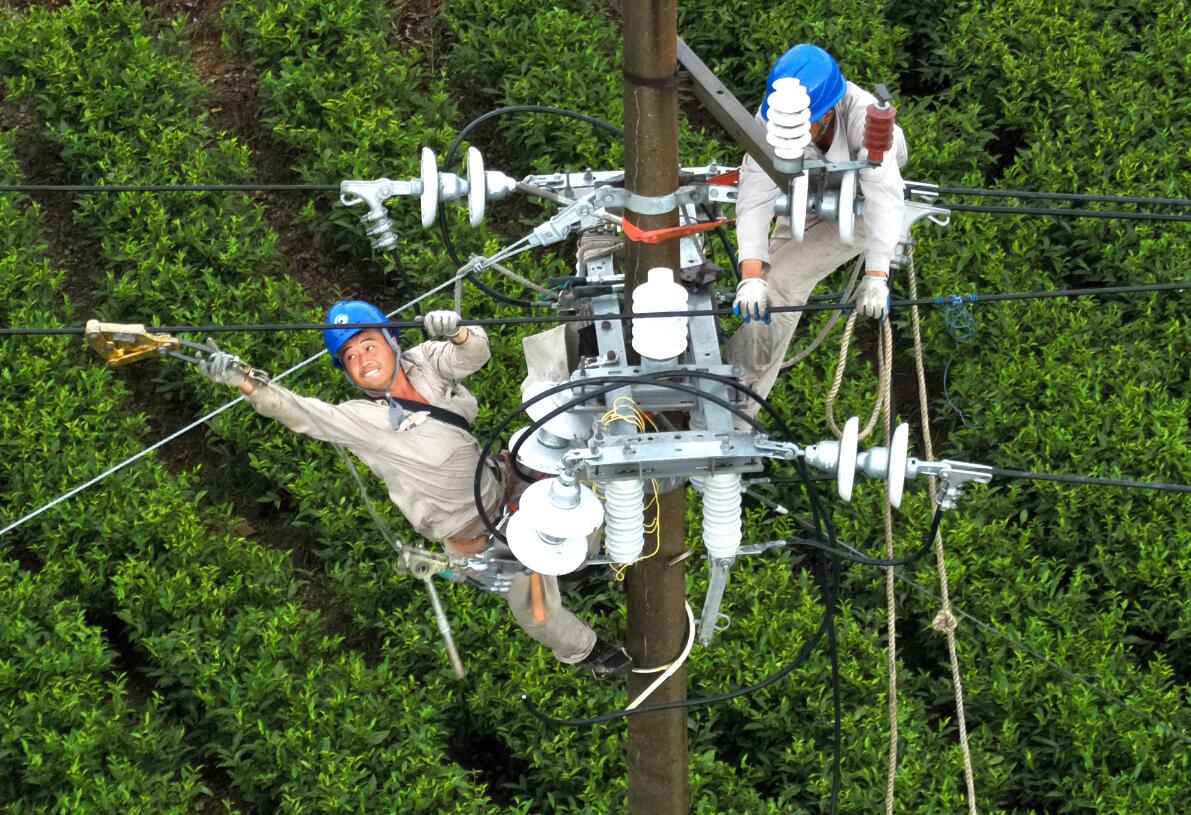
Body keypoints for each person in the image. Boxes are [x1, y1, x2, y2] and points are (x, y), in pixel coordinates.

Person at [198, 299, 631, 678]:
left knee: (573, 458)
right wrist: (245, 380)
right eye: (350, 356)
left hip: (505, 482)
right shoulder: (361, 421)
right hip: (482, 534)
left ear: (390, 342)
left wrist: (458, 332)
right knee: (536, 610)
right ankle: (588, 651)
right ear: (348, 373)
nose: (363, 358)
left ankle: (604, 562)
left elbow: (475, 355)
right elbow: (298, 411)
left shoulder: (424, 362)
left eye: (368, 345)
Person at [727, 43, 908, 406]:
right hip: (802, 193)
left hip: (860, 208)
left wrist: (876, 276)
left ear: (825, 114)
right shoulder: (775, 116)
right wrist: (749, 274)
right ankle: (742, 394)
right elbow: (755, 194)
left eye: (800, 127)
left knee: (781, 285)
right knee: (762, 286)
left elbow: (884, 200)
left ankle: (735, 391)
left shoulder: (864, 122)